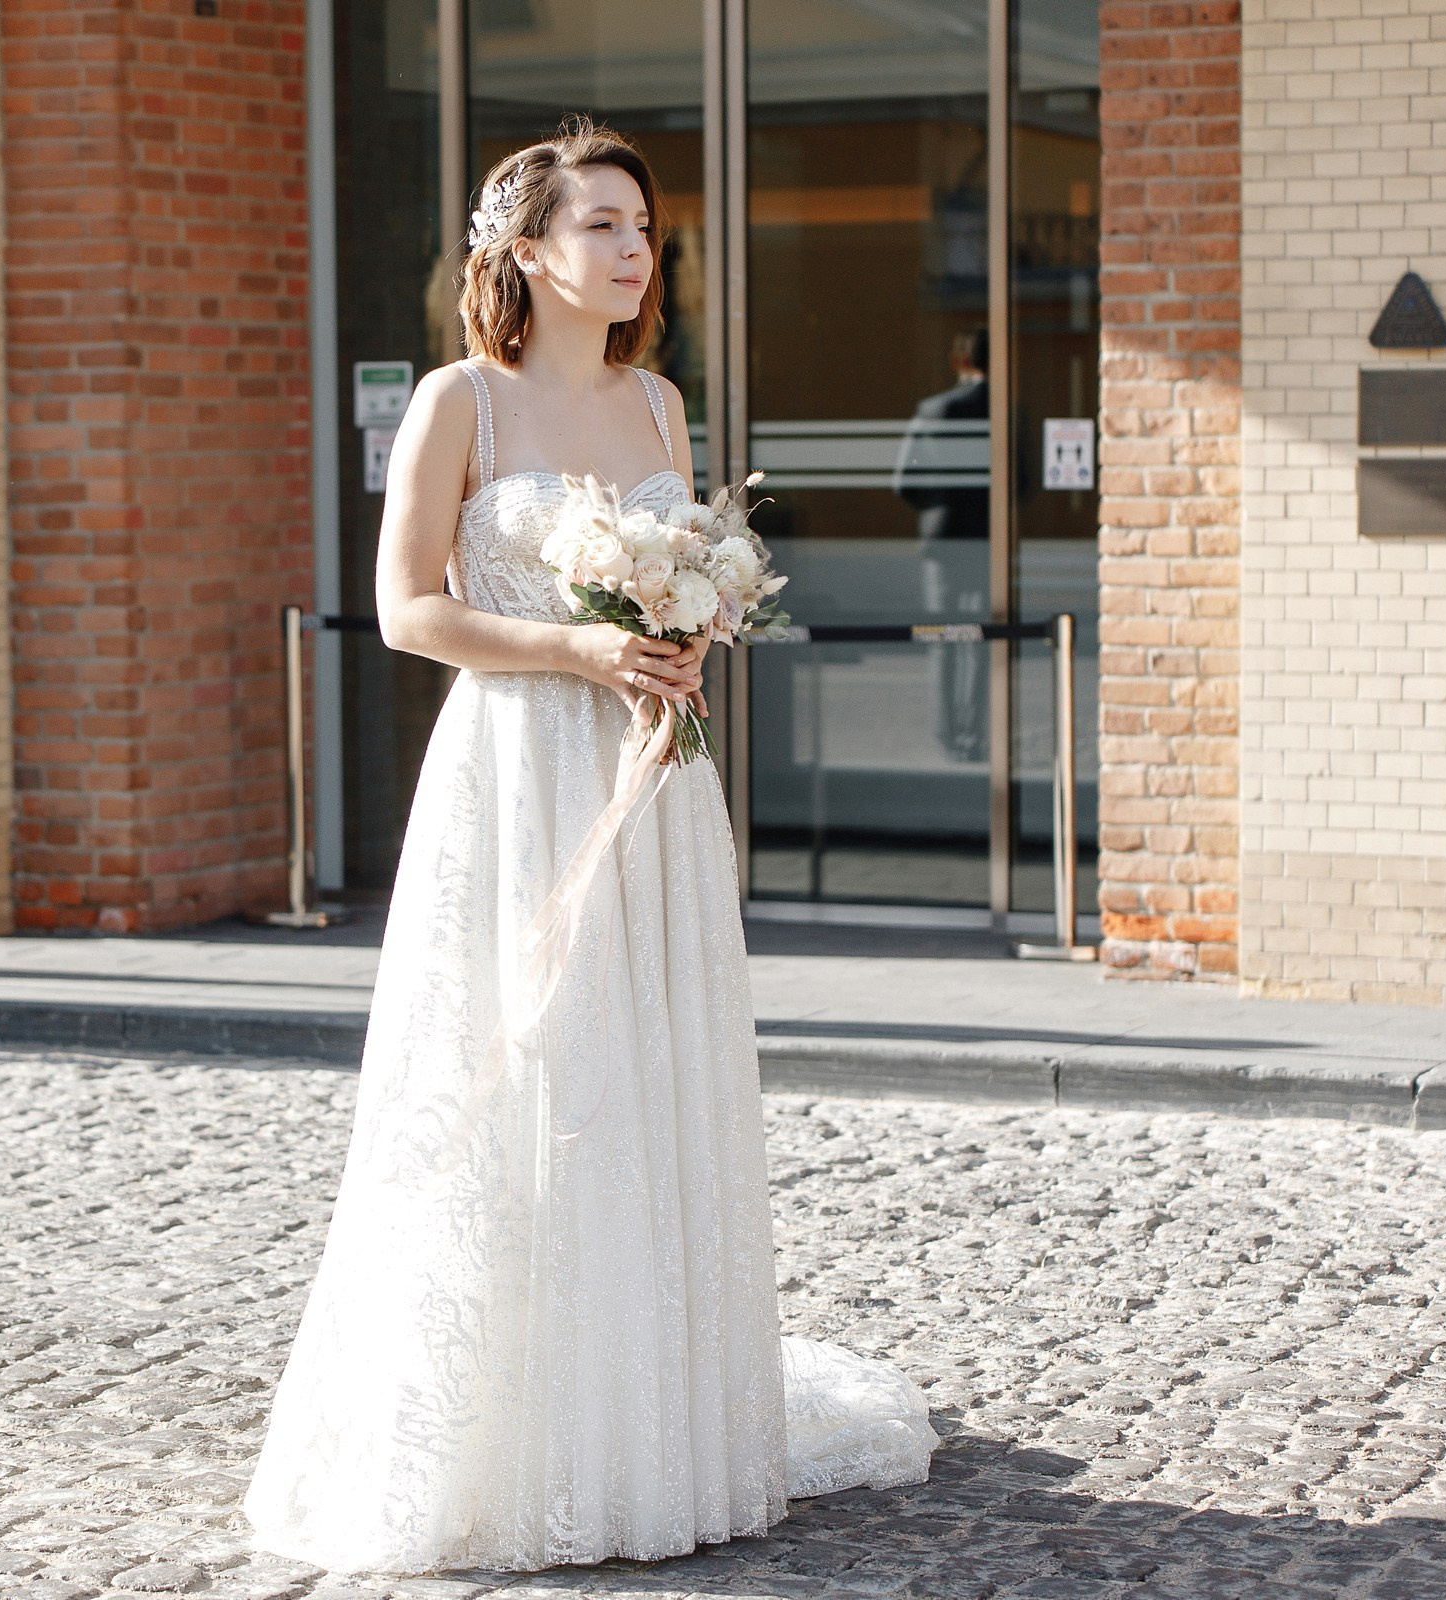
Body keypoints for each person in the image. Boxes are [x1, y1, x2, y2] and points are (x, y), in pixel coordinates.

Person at [245, 120, 936, 1576]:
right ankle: (498, 1430)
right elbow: (404, 611)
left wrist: (682, 632)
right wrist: (571, 642)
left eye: (644, 230)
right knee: (516, 1064)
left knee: (644, 1069)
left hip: (650, 781)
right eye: (608, 226)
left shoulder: (662, 409)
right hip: (511, 766)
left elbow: (680, 588)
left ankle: (647, 1420)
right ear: (529, 250)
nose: (636, 252)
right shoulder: (460, 403)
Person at [894, 328, 990, 763]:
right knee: (984, 640)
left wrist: (939, 507)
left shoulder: (935, 410)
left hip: (942, 543)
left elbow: (904, 482)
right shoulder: (1006, 409)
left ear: (958, 361)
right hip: (989, 539)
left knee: (944, 641)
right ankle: (976, 733)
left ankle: (946, 734)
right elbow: (1024, 479)